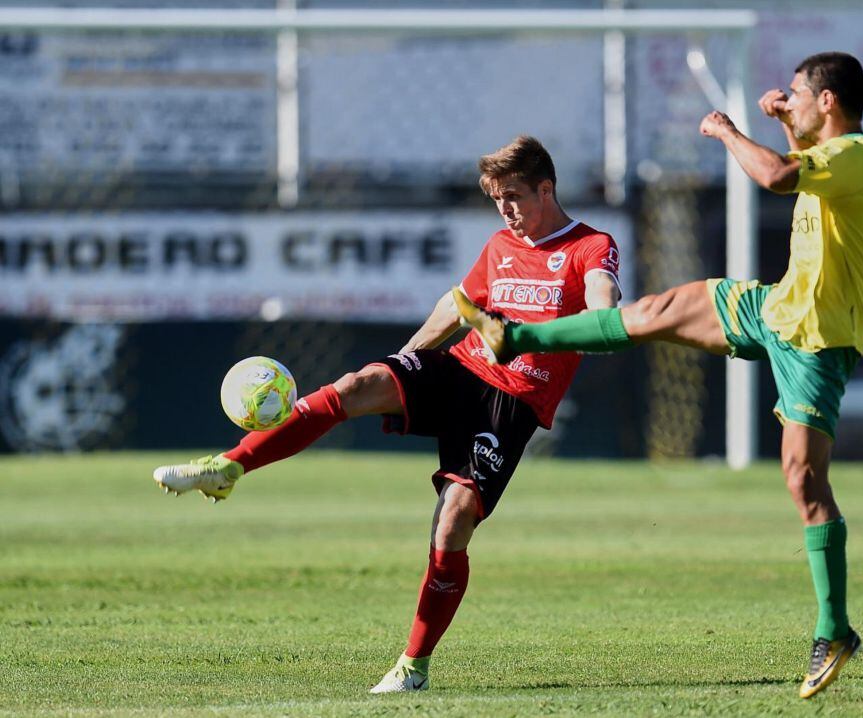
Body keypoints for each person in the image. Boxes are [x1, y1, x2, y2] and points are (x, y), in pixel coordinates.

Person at [454, 52, 863, 699]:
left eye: (797, 92)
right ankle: (511, 334)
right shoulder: (835, 149)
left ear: (828, 101)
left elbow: (776, 177)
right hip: (773, 308)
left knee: (804, 480)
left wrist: (729, 130)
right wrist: (783, 122)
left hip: (818, 343)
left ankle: (836, 628)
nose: (789, 97)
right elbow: (798, 159)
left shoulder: (859, 154)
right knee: (652, 312)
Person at [152, 136, 622, 693]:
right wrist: (407, 358)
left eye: (515, 196)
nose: (506, 210)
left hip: (511, 401)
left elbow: (603, 296)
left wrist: (601, 309)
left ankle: (413, 667)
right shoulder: (500, 244)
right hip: (460, 371)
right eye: (497, 200)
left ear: (547, 188)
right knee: (357, 384)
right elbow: (458, 306)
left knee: (455, 521)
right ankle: (229, 467)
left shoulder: (590, 245)